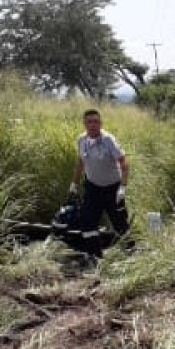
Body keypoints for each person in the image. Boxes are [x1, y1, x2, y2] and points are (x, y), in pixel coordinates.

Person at [69, 109, 129, 258]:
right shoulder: (81, 140)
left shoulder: (108, 140)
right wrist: (74, 184)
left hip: (112, 188)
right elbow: (80, 163)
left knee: (119, 223)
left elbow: (124, 162)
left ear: (101, 123)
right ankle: (94, 255)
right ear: (84, 124)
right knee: (88, 221)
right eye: (89, 122)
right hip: (92, 187)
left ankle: (130, 253)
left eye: (96, 122)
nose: (92, 125)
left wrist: (122, 187)